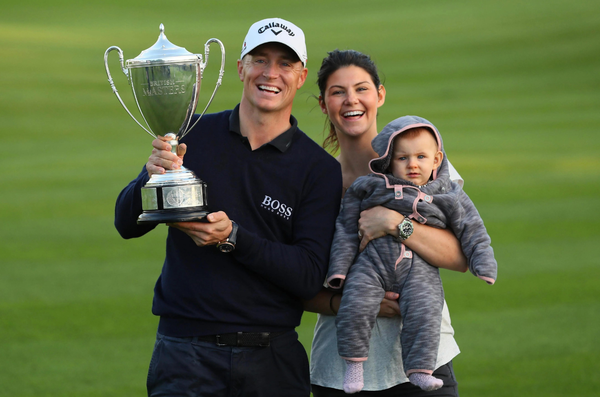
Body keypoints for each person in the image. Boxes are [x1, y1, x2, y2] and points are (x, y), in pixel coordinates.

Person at [114, 18, 342, 397]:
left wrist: (233, 237)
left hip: (273, 359)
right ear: (240, 68)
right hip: (185, 354)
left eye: (285, 64)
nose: (271, 73)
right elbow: (126, 223)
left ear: (301, 77)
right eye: (259, 60)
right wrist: (150, 178)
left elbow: (306, 274)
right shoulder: (191, 133)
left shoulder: (318, 169)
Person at [306, 49, 469, 397]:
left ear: (380, 95)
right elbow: (298, 282)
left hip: (424, 363)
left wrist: (396, 224)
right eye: (338, 92)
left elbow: (460, 256)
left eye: (362, 88)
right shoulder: (313, 181)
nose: (352, 100)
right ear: (323, 104)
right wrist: (352, 301)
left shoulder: (422, 160)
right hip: (339, 372)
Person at [327, 116, 497, 393]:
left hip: (419, 269)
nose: (412, 164)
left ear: (436, 158)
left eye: (420, 157)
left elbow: (473, 229)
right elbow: (345, 229)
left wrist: (484, 264)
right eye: (403, 158)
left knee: (426, 308)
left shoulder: (447, 192)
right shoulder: (369, 186)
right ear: (389, 161)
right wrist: (339, 270)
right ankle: (354, 365)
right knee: (356, 302)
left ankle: (420, 370)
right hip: (372, 263)